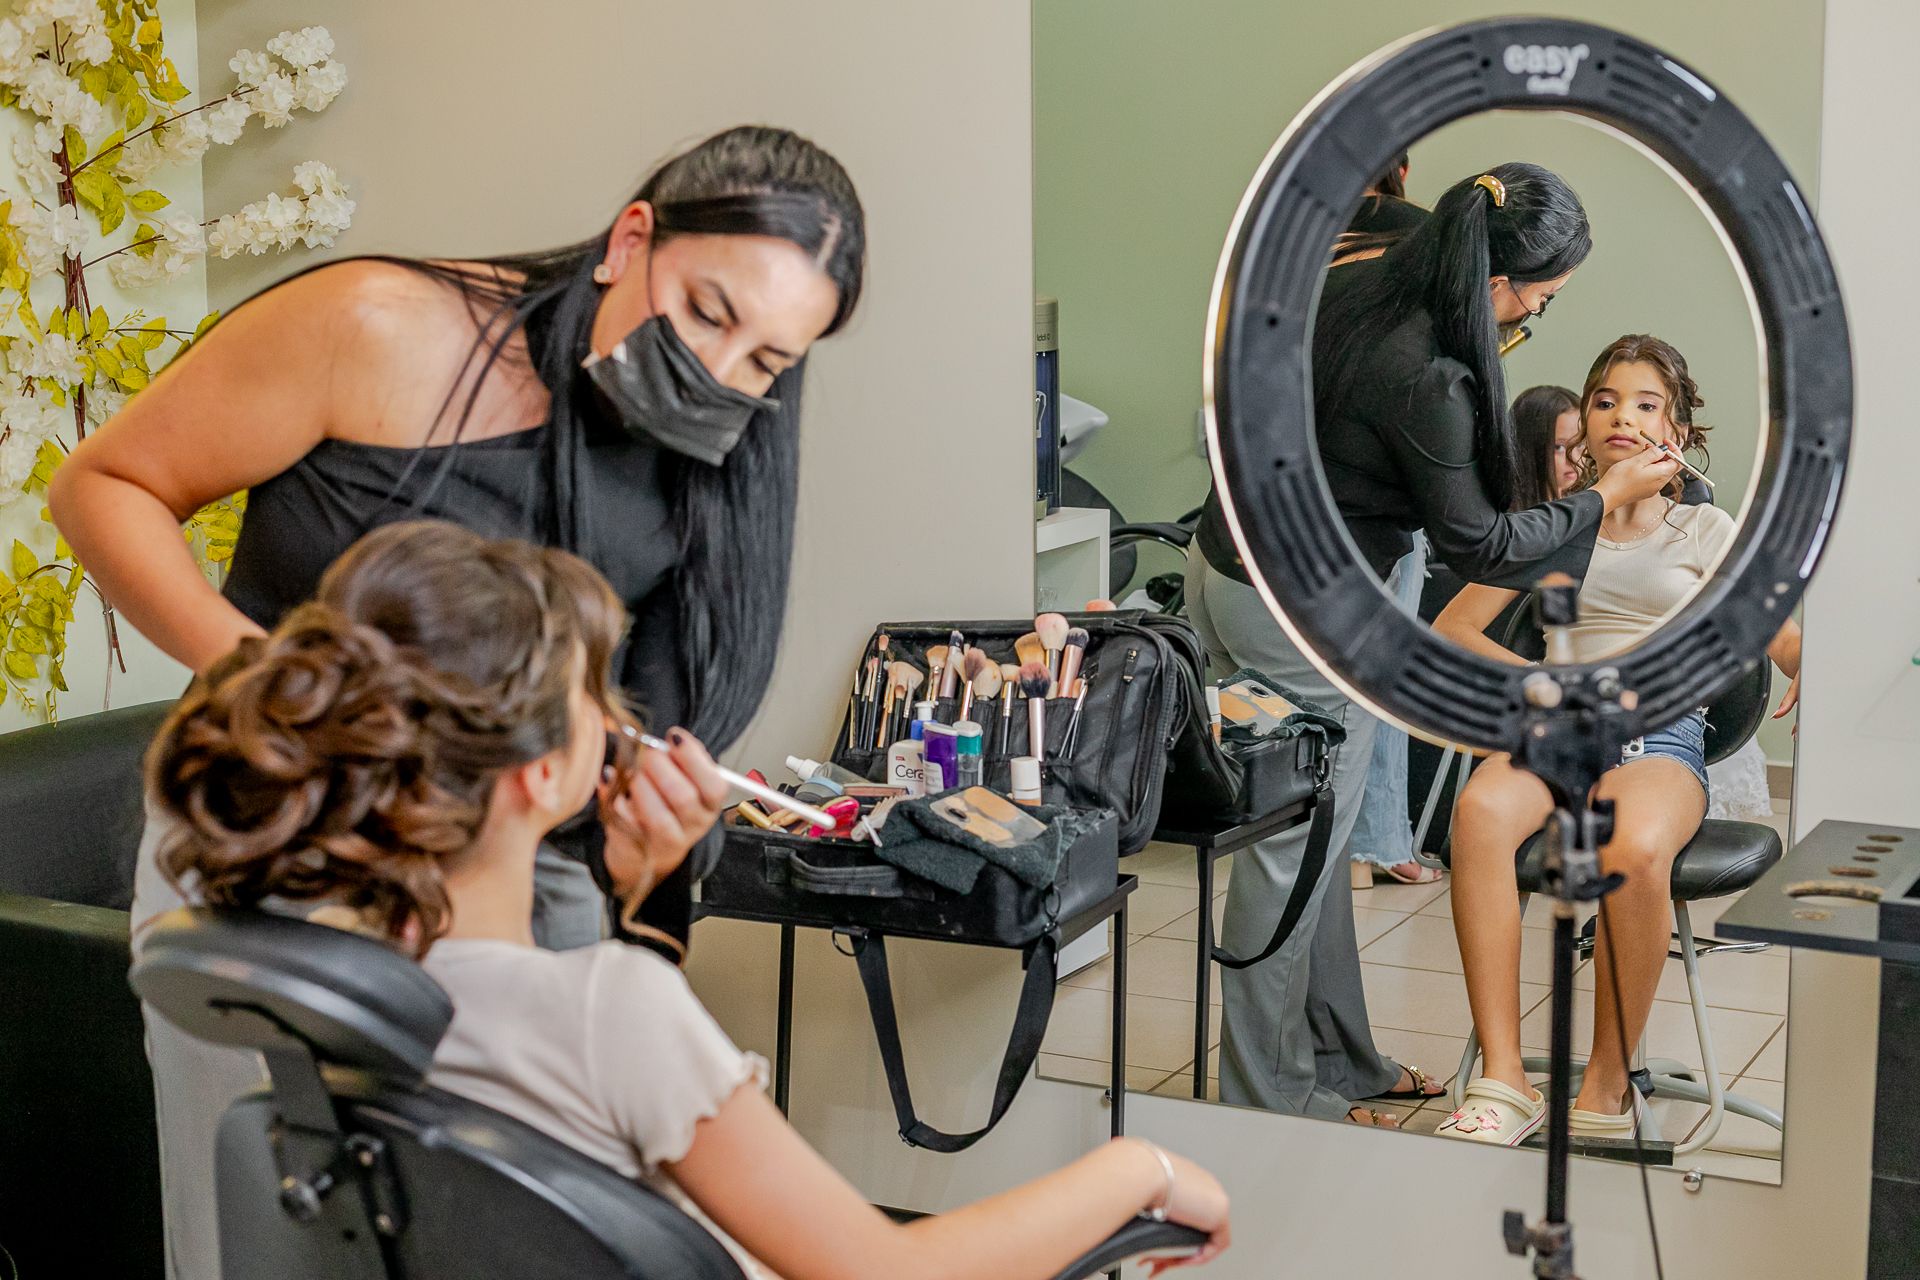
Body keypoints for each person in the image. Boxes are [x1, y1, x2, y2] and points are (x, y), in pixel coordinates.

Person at [53, 124, 865, 1280]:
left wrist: (650, 848)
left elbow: (626, 724)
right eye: (707, 311)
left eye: (771, 362)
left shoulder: (716, 452)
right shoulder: (382, 327)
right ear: (631, 240)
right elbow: (104, 486)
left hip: (512, 873)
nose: (723, 375)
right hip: (280, 826)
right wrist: (277, 683)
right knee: (267, 1229)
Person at [146, 521, 1232, 1280]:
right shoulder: (603, 1007)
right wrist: (1141, 1166)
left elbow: (573, 1094)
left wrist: (642, 904)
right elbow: (894, 1267)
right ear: (537, 774)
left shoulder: (326, 974)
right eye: (593, 696)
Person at [1185, 163, 1683, 1125]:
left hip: (1238, 565)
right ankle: (1268, 1101)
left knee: (1319, 844)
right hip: (1301, 608)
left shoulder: (1367, 272)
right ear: (1495, 283)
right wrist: (1600, 500)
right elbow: (1479, 545)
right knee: (1290, 855)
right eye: (1538, 300)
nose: (1531, 317)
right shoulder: (1430, 376)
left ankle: (1335, 1056)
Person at [1432, 335, 1801, 1146]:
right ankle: (1503, 1077)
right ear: (1584, 422)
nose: (1622, 418)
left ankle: (1606, 1083)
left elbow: (1785, 639)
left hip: (1660, 732)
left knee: (1630, 849)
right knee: (1482, 813)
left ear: (1677, 429)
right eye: (1605, 401)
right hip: (1560, 724)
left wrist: (1811, 664)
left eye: (1645, 404)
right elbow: (1455, 628)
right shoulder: (1555, 525)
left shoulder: (1704, 529)